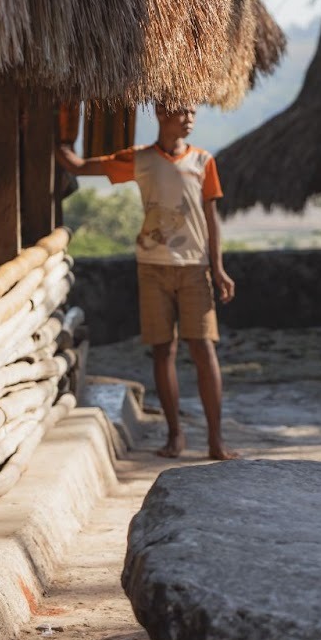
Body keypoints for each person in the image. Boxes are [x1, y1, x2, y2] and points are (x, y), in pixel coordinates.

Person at [56, 105, 239, 460]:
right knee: (162, 350)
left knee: (204, 349)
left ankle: (216, 440)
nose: (188, 118)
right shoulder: (138, 159)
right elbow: (78, 167)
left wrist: (218, 268)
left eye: (192, 112)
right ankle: (175, 436)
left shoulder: (204, 161)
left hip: (194, 269)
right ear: (159, 113)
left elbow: (211, 220)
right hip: (151, 268)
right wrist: (57, 140)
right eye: (180, 111)